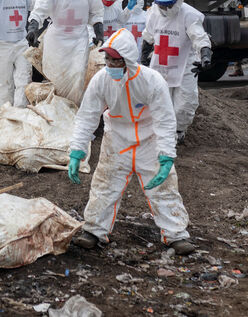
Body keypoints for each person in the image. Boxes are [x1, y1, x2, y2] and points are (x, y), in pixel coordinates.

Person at [67, 29, 195, 255]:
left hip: (149, 140)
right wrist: (77, 150)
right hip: (116, 140)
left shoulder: (151, 81)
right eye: (107, 59)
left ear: (127, 61)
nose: (110, 65)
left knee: (163, 188)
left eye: (115, 60)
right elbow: (87, 116)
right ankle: (94, 231)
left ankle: (176, 235)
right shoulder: (101, 80)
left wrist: (166, 155)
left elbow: (165, 119)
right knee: (105, 185)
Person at [139, 0, 212, 143]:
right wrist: (144, 60)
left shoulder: (189, 15)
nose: (164, 9)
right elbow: (148, 36)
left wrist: (205, 57)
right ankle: (159, 132)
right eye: (161, 4)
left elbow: (200, 37)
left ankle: (178, 132)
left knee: (185, 103)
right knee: (157, 101)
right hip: (160, 64)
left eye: (168, 5)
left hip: (185, 64)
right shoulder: (153, 13)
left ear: (178, 1)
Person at [25, 0, 104, 105]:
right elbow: (38, 13)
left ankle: (76, 108)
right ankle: (59, 107)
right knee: (57, 77)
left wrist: (99, 32)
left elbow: (96, 14)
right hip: (56, 41)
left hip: (79, 39)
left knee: (78, 74)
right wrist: (33, 30)